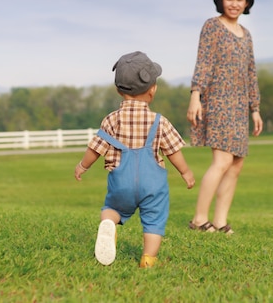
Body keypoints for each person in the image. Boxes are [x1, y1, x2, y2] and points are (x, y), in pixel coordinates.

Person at [75, 51, 195, 268]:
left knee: (113, 208)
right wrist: (185, 172)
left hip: (122, 181)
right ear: (152, 91)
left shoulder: (111, 120)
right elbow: (173, 151)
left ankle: (109, 223)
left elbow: (96, 148)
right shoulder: (159, 121)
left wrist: (83, 165)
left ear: (118, 90)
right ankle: (148, 260)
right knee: (154, 220)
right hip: (153, 185)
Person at [187, 0, 263, 234]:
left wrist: (255, 108)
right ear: (221, 1)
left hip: (241, 105)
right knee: (221, 160)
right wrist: (196, 94)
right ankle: (198, 219)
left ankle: (219, 221)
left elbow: (251, 72)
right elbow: (204, 61)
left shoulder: (247, 34)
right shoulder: (212, 26)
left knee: (236, 163)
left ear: (246, 3)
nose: (234, 3)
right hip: (217, 100)